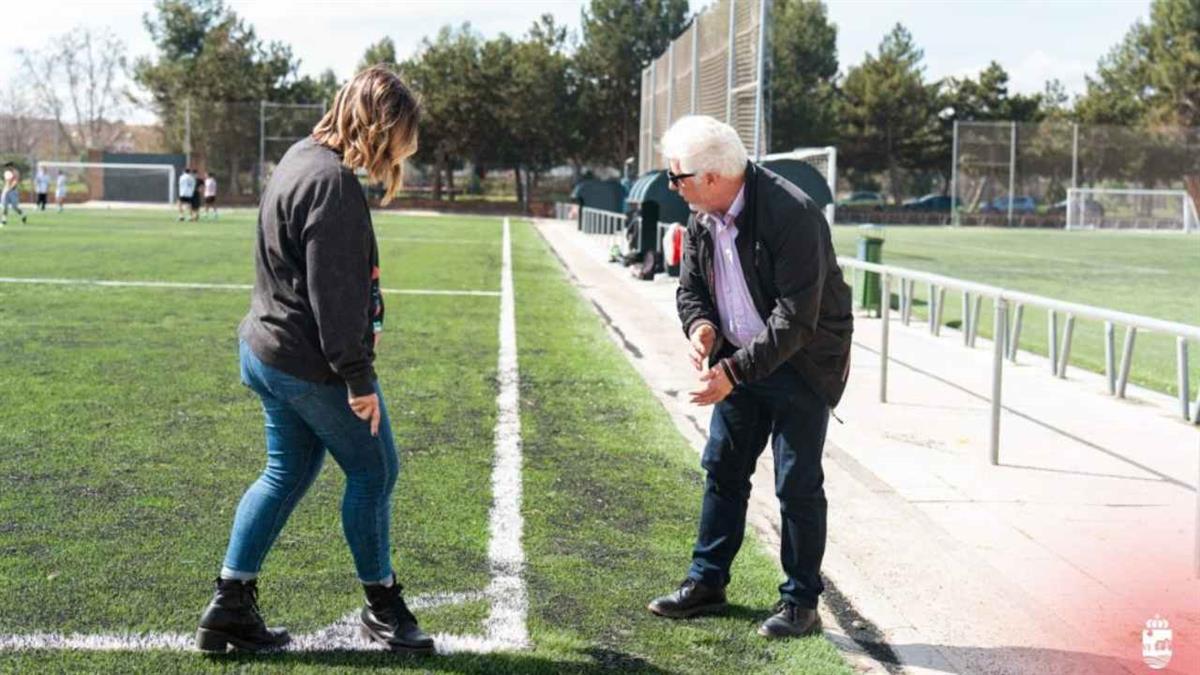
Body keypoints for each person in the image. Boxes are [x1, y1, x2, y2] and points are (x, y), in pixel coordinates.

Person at [196, 65, 426, 655]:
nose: (395, 158)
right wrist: (359, 379)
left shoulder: (300, 155)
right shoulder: (333, 185)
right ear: (379, 127)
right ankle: (382, 604)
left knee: (286, 472)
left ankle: (230, 606)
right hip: (304, 360)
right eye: (398, 142)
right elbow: (334, 296)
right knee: (375, 470)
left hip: (267, 348)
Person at [646, 116, 853, 639]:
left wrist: (732, 374)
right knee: (723, 468)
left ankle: (801, 602)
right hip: (741, 360)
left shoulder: (793, 214)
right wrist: (702, 328)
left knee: (797, 483)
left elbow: (795, 319)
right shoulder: (701, 215)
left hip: (801, 364)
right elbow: (690, 289)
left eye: (678, 178)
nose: (673, 187)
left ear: (713, 176)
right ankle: (707, 582)